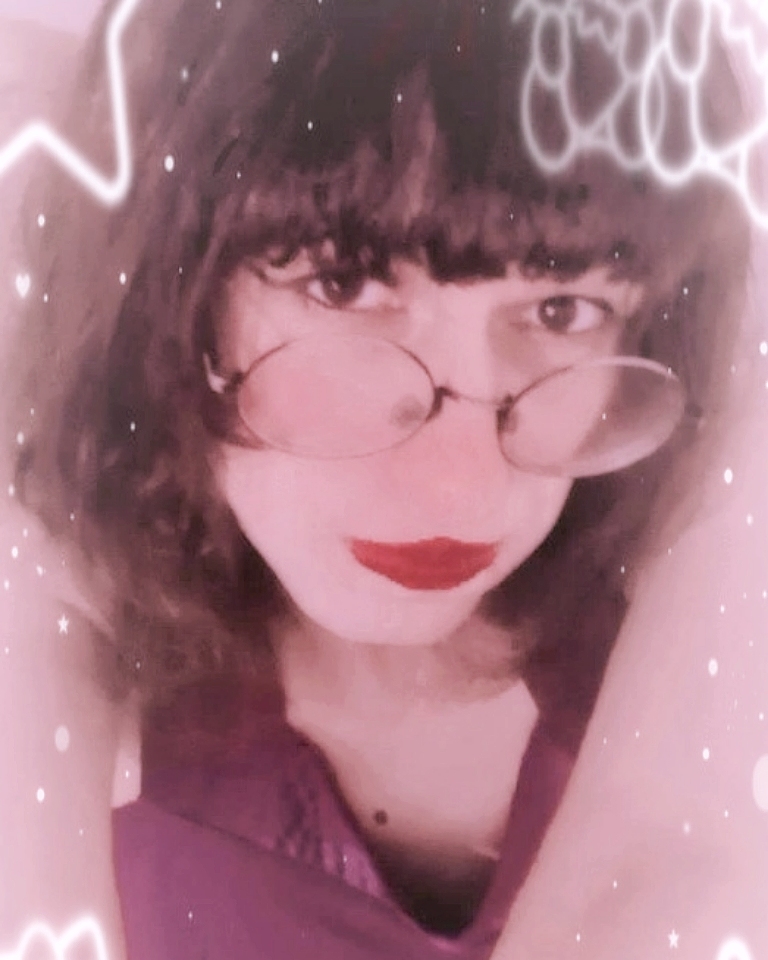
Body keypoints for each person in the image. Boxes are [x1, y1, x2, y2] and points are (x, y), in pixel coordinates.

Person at [3, 0, 761, 957]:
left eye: (562, 308)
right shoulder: (90, 718)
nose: (461, 488)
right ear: (169, 297)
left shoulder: (712, 650)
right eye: (345, 283)